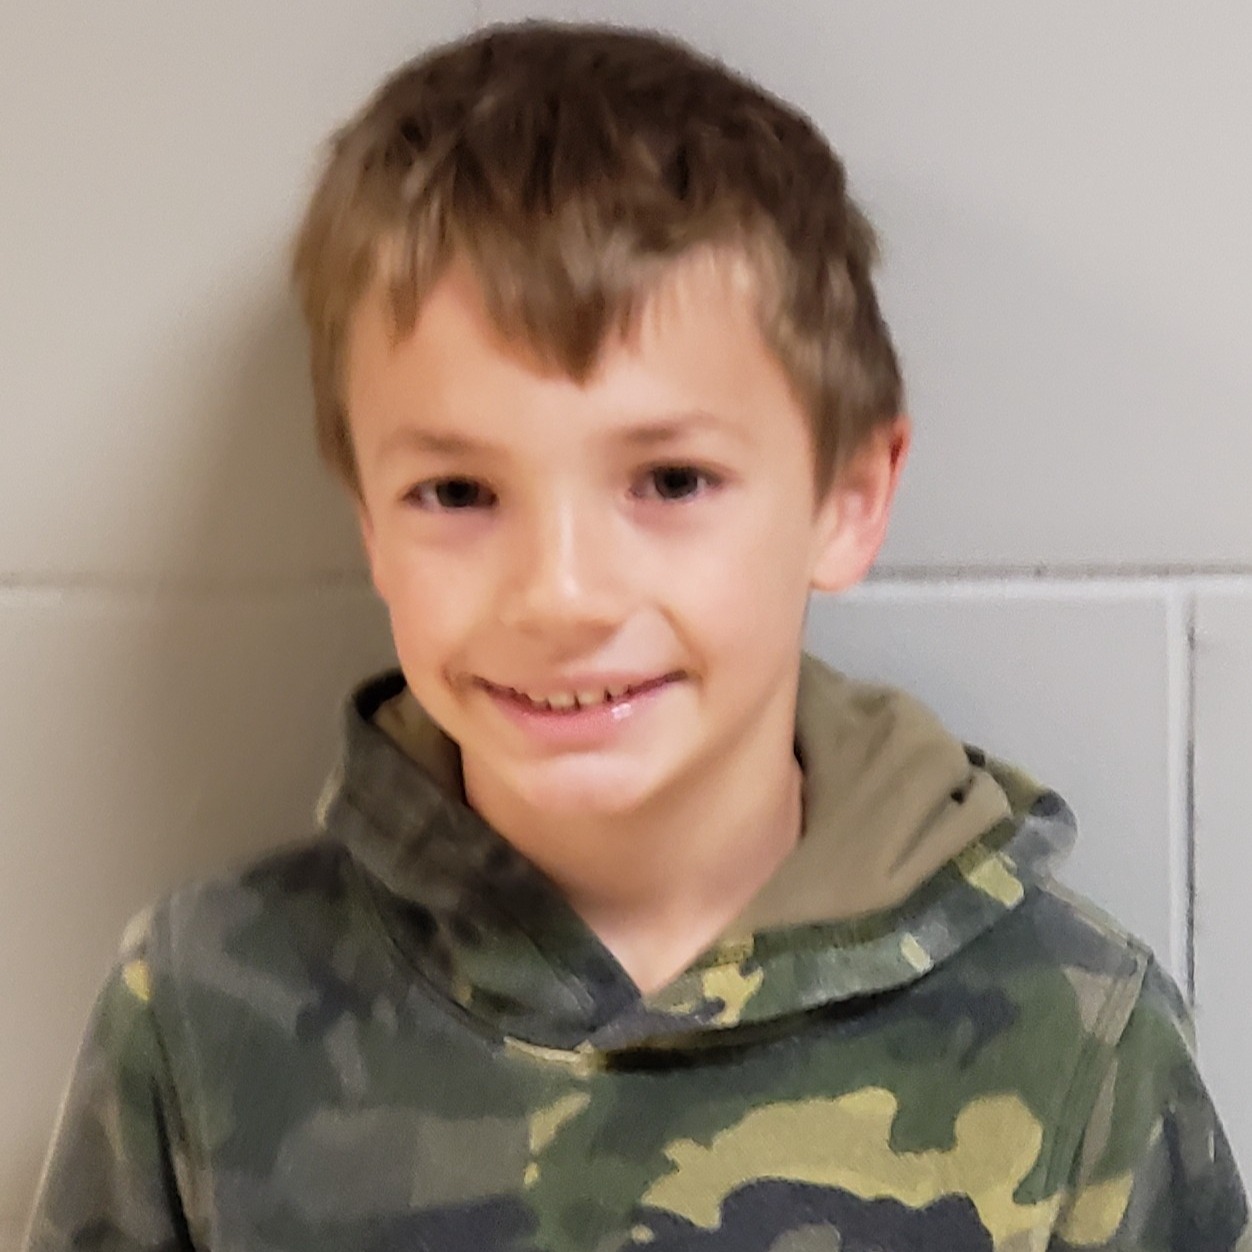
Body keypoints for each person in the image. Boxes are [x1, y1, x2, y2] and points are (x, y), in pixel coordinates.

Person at [24, 20, 1248, 1252]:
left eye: (669, 480)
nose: (559, 594)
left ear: (847, 499)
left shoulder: (1078, 1041)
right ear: (370, 525)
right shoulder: (200, 1020)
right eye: (457, 493)